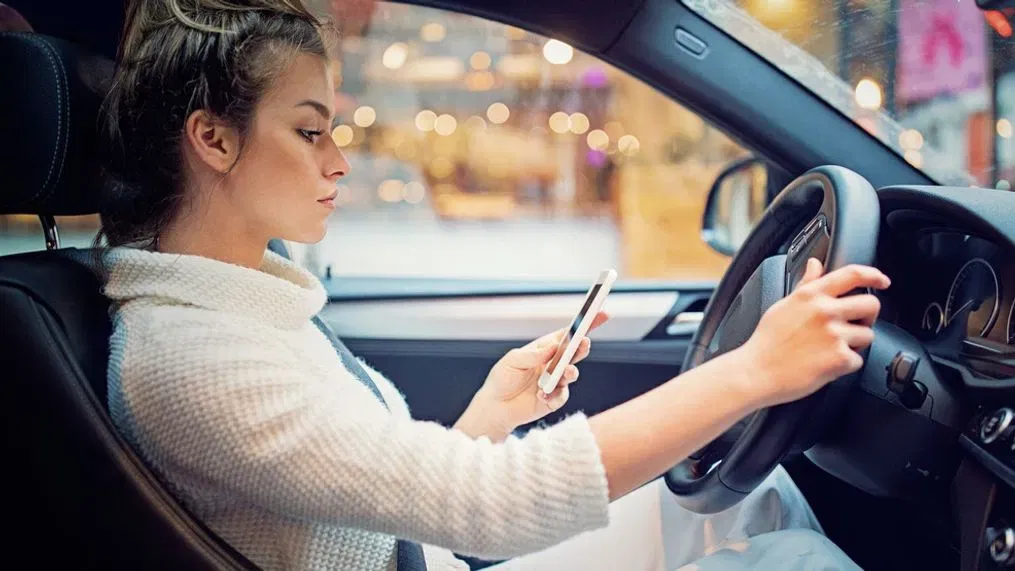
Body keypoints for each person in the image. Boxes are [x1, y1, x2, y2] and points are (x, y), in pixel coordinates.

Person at [97, 1, 889, 569]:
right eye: (309, 131)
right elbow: (489, 500)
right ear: (212, 138)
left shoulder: (239, 304)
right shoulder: (188, 356)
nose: (337, 160)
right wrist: (752, 370)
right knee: (789, 556)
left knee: (747, 503)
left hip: (430, 557)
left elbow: (373, 487)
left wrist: (491, 414)